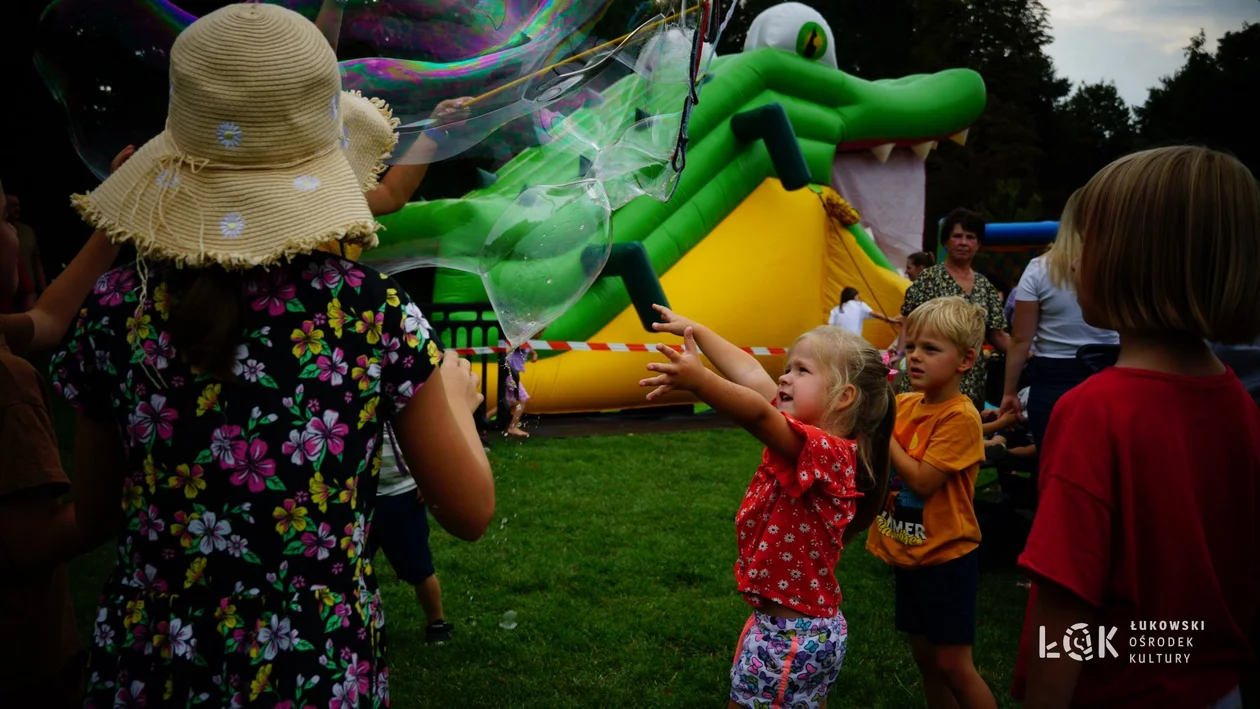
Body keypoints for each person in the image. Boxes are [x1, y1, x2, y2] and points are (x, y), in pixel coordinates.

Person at [47, 6, 495, 705]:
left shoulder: (115, 310)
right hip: (315, 673)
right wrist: (462, 407)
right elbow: (469, 511)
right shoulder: (369, 314)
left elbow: (96, 513)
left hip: (150, 670)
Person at [1012, 146, 1260, 709]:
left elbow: (1064, 603)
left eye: (1088, 241)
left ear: (1136, 261)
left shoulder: (1095, 411)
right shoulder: (1238, 404)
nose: (1073, 262)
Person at [641, 304, 895, 709]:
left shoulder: (828, 452)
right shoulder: (809, 443)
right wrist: (699, 331)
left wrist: (699, 380)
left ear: (844, 397)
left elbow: (758, 413)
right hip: (789, 627)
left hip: (790, 636)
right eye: (788, 367)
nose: (784, 376)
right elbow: (750, 374)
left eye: (801, 371)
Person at [0, 150, 134, 707]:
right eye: (3, 218)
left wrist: (119, 210)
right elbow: (26, 544)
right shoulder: (6, 380)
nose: (16, 215)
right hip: (24, 662)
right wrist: (150, 488)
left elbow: (51, 320)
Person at [866, 296, 996, 709]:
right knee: (925, 658)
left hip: (946, 559)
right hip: (910, 555)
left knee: (954, 664)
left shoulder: (960, 417)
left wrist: (882, 430)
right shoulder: (904, 405)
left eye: (931, 349)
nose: (915, 358)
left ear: (965, 359)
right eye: (911, 348)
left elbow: (922, 481)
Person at [998, 190, 1119, 447]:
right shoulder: (1118, 265)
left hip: (1054, 376)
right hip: (1111, 368)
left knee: (1052, 458)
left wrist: (1010, 392)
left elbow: (1020, 338)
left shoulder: (1039, 269)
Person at [897, 209, 1009, 411]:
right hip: (928, 382)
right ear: (946, 242)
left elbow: (997, 335)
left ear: (979, 244)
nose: (963, 242)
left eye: (970, 237)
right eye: (957, 236)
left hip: (970, 382)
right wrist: (901, 356)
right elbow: (909, 324)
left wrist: (1029, 355)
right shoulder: (928, 279)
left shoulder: (985, 285)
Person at [370, 423, 455, 644]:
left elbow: (427, 437)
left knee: (420, 567)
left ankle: (437, 621)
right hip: (359, 497)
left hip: (403, 494)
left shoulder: (401, 405)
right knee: (351, 567)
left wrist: (425, 478)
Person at [5, 195, 47, 295]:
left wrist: (45, 290)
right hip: (7, 295)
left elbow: (36, 263)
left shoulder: (28, 231)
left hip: (29, 293)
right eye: (13, 205)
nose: (18, 209)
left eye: (18, 205)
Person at [827, 286, 899, 338]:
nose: (859, 299)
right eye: (858, 297)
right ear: (854, 297)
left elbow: (829, 326)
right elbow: (875, 314)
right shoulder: (860, 305)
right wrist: (892, 320)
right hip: (854, 343)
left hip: (838, 343)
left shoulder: (835, 309)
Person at [504, 342, 538, 438]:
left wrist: (534, 355)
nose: (541, 334)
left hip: (512, 375)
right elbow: (507, 350)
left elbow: (530, 350)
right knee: (522, 400)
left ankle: (486, 417)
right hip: (510, 376)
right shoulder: (521, 340)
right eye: (540, 332)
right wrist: (509, 350)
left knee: (509, 402)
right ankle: (513, 427)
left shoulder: (526, 342)